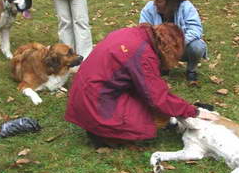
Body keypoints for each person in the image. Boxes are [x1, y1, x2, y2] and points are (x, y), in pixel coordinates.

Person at [65, 23, 217, 147]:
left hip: (83, 96)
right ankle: (106, 134)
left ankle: (100, 128)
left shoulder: (132, 33)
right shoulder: (144, 54)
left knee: (146, 99)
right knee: (154, 117)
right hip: (96, 103)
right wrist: (193, 112)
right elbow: (158, 97)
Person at [139, 0, 207, 84]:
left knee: (197, 46)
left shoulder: (187, 7)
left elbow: (195, 30)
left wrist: (175, 42)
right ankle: (163, 67)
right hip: (158, 48)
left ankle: (191, 70)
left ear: (171, 2)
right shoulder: (149, 8)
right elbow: (143, 31)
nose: (155, 3)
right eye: (155, 0)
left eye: (159, 1)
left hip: (181, 47)